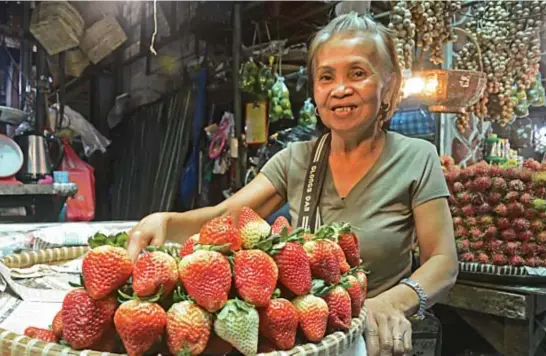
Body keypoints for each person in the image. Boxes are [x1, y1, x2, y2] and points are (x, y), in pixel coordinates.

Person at [127, 12, 458, 356]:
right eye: (326, 77)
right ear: (315, 90)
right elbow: (226, 215)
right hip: (314, 341)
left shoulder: (417, 157)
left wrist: (390, 304)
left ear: (389, 85)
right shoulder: (296, 160)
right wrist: (165, 220)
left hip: (380, 341)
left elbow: (443, 261)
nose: (340, 89)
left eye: (358, 73)